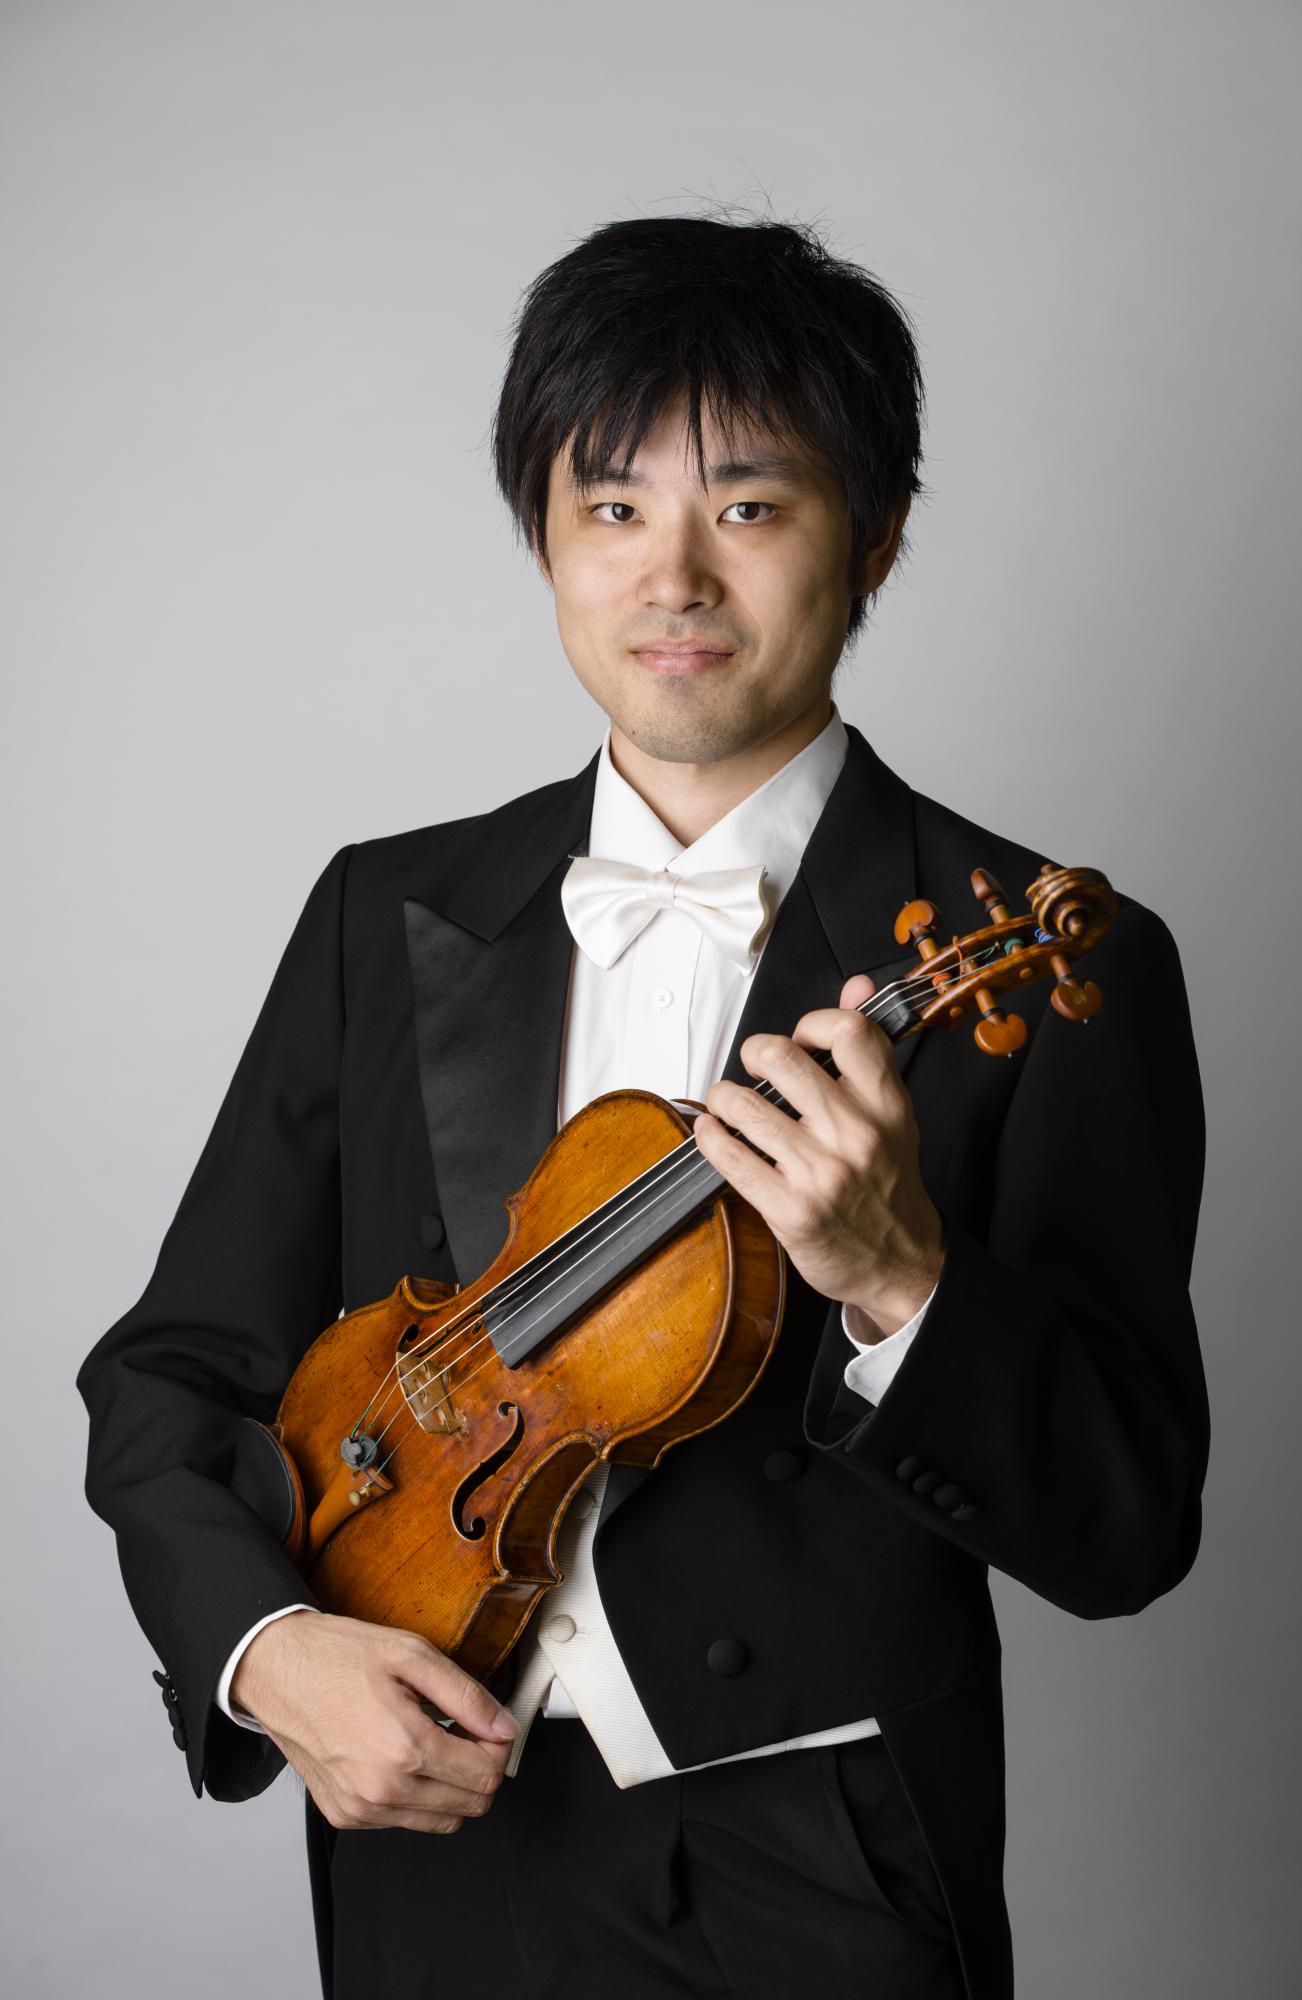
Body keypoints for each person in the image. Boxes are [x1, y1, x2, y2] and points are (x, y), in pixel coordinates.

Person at [77, 213, 1210, 2000]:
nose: (673, 577)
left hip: (823, 1866)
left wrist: (903, 1283)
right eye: (612, 508)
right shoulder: (387, 913)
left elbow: (1129, 1526)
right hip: (433, 1840)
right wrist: (266, 1648)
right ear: (543, 536)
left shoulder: (1058, 961)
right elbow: (172, 1373)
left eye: (749, 508)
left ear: (878, 536)